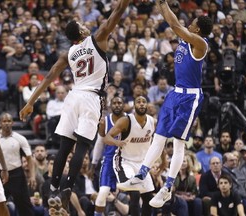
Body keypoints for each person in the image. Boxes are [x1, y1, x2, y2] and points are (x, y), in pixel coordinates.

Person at [19, 0, 132, 214]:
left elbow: (51, 75)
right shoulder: (97, 39)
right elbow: (117, 12)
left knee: (64, 146)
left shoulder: (69, 53)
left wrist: (30, 102)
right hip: (90, 98)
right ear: (81, 32)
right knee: (81, 147)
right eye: (81, 25)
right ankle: (66, 190)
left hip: (73, 96)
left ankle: (53, 188)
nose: (85, 25)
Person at [117, 0, 213, 208]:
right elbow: (174, 21)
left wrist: (162, 3)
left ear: (198, 28)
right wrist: (160, 4)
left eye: (193, 22)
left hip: (190, 98)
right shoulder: (186, 38)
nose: (189, 23)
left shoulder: (200, 44)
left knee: (178, 143)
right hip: (175, 93)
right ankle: (142, 174)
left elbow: (175, 25)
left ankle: (167, 188)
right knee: (158, 138)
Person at [104, 96, 156, 216]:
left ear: (147, 105)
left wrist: (163, 161)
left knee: (148, 198)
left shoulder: (152, 122)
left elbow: (158, 143)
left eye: (144, 102)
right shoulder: (126, 121)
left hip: (142, 164)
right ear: (134, 105)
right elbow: (107, 137)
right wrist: (117, 142)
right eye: (138, 102)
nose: (141, 104)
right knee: (135, 192)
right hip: (124, 161)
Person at [91, 96, 125, 216]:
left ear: (123, 105)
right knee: (103, 192)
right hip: (109, 160)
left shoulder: (130, 120)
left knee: (135, 193)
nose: (117, 105)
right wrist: (94, 162)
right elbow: (99, 143)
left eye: (119, 103)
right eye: (114, 103)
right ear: (110, 106)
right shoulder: (105, 121)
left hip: (126, 161)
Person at [0, 112, 36, 216]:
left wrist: (32, 176)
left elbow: (29, 158)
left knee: (25, 206)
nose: (6, 123)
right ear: (0, 123)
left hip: (17, 175)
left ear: (13, 123)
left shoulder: (20, 138)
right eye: (4, 121)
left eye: (9, 121)